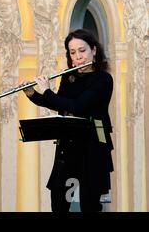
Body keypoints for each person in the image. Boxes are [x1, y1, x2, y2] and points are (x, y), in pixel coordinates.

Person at [19, 29, 114, 212]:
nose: (78, 57)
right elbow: (61, 105)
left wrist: (46, 91)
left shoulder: (103, 79)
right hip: (69, 146)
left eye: (82, 50)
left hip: (94, 147)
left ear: (94, 51)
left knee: (89, 204)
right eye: (72, 52)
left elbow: (78, 106)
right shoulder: (68, 77)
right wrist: (34, 95)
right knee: (59, 201)